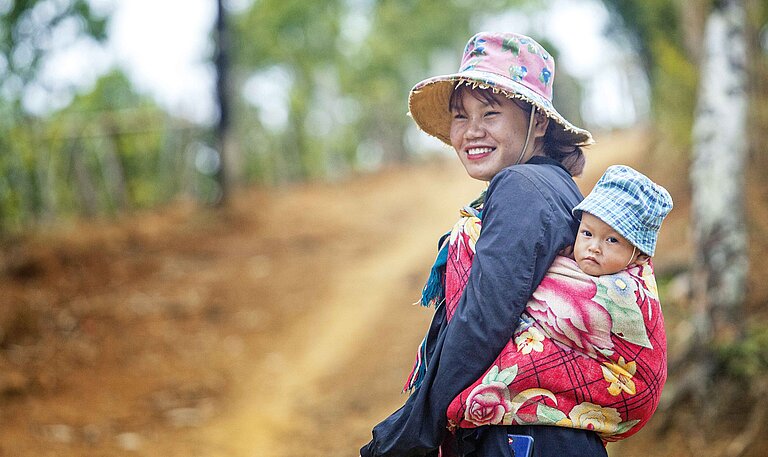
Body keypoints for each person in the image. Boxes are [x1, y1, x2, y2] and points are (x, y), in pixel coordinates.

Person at [361, 31, 602, 457]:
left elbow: (483, 319)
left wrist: (412, 432)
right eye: (461, 117)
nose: (472, 132)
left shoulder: (522, 186)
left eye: (490, 113)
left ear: (538, 121)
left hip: (525, 442)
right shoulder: (556, 186)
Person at [442, 164, 672, 445]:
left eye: (612, 240)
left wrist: (474, 240)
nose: (594, 247)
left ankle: (475, 397)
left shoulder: (629, 293)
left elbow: (529, 283)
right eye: (587, 233)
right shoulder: (571, 263)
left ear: (637, 255)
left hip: (625, 389)